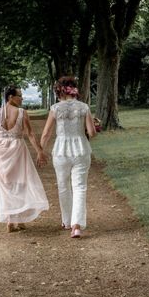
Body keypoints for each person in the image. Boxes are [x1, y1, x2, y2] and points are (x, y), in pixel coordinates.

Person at [0, 86, 49, 232]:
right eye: (19, 95)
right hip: (17, 150)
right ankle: (18, 220)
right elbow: (30, 134)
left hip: (0, 152)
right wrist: (39, 151)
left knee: (6, 185)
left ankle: (11, 220)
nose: (22, 98)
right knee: (20, 183)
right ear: (10, 97)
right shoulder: (21, 113)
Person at [40, 76, 96, 238]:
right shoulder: (84, 107)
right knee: (80, 187)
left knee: (63, 186)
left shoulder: (55, 108)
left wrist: (40, 151)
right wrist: (91, 129)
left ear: (59, 90)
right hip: (81, 150)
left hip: (61, 151)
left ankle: (66, 221)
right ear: (74, 89)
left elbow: (46, 133)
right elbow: (91, 133)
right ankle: (76, 225)